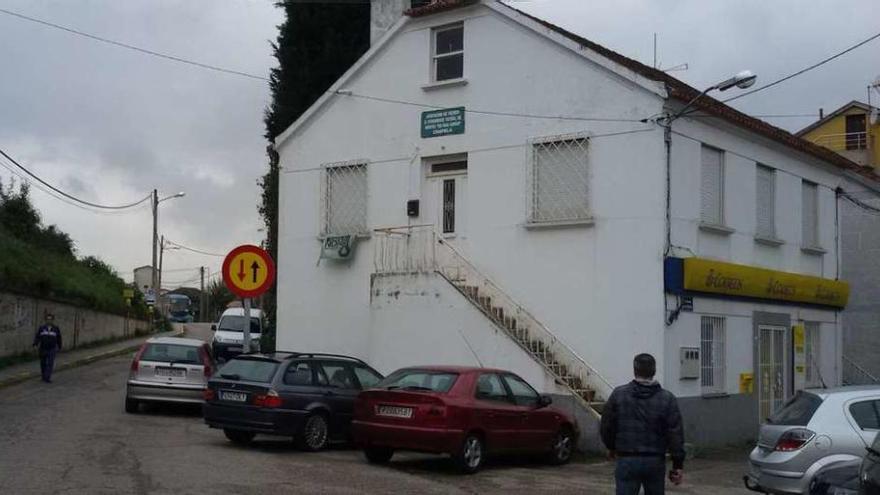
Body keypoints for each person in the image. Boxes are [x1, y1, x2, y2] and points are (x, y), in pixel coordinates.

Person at [600, 353, 685, 495]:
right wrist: (678, 464)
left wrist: (611, 446)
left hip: (627, 458)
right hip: (655, 460)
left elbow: (607, 425)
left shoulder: (619, 394)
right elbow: (675, 432)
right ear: (654, 371)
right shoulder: (667, 399)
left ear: (634, 370)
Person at [33, 313, 62, 383]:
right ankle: (43, 376)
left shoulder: (56, 329)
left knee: (50, 363)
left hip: (52, 349)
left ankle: (47, 378)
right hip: (43, 348)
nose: (49, 321)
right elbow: (37, 337)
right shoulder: (42, 328)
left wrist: (59, 346)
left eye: (50, 319)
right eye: (47, 319)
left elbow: (59, 338)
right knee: (43, 363)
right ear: (45, 320)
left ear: (52, 320)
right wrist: (35, 344)